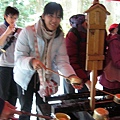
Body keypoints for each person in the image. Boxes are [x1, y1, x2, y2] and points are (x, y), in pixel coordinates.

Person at [14, 2, 83, 120]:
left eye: (58, 17)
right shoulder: (28, 32)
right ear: (43, 16)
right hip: (26, 77)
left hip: (46, 79)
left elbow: (62, 60)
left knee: (44, 109)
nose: (54, 20)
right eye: (51, 15)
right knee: (25, 109)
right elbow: (19, 57)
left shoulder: (59, 36)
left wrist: (71, 76)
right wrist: (31, 62)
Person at [64, 14, 91, 94]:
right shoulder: (73, 34)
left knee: (84, 97)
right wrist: (85, 80)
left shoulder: (92, 34)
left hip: (84, 70)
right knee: (69, 97)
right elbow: (71, 59)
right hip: (70, 71)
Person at [0, 6, 21, 106]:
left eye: (15, 18)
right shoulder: (0, 28)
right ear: (5, 16)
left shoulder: (19, 31)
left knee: (14, 93)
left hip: (16, 66)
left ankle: (11, 114)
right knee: (3, 94)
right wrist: (7, 32)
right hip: (3, 65)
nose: (13, 20)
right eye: (11, 17)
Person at [99, 23, 120, 93]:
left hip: (116, 79)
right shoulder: (115, 41)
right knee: (111, 101)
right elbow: (117, 61)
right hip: (112, 81)